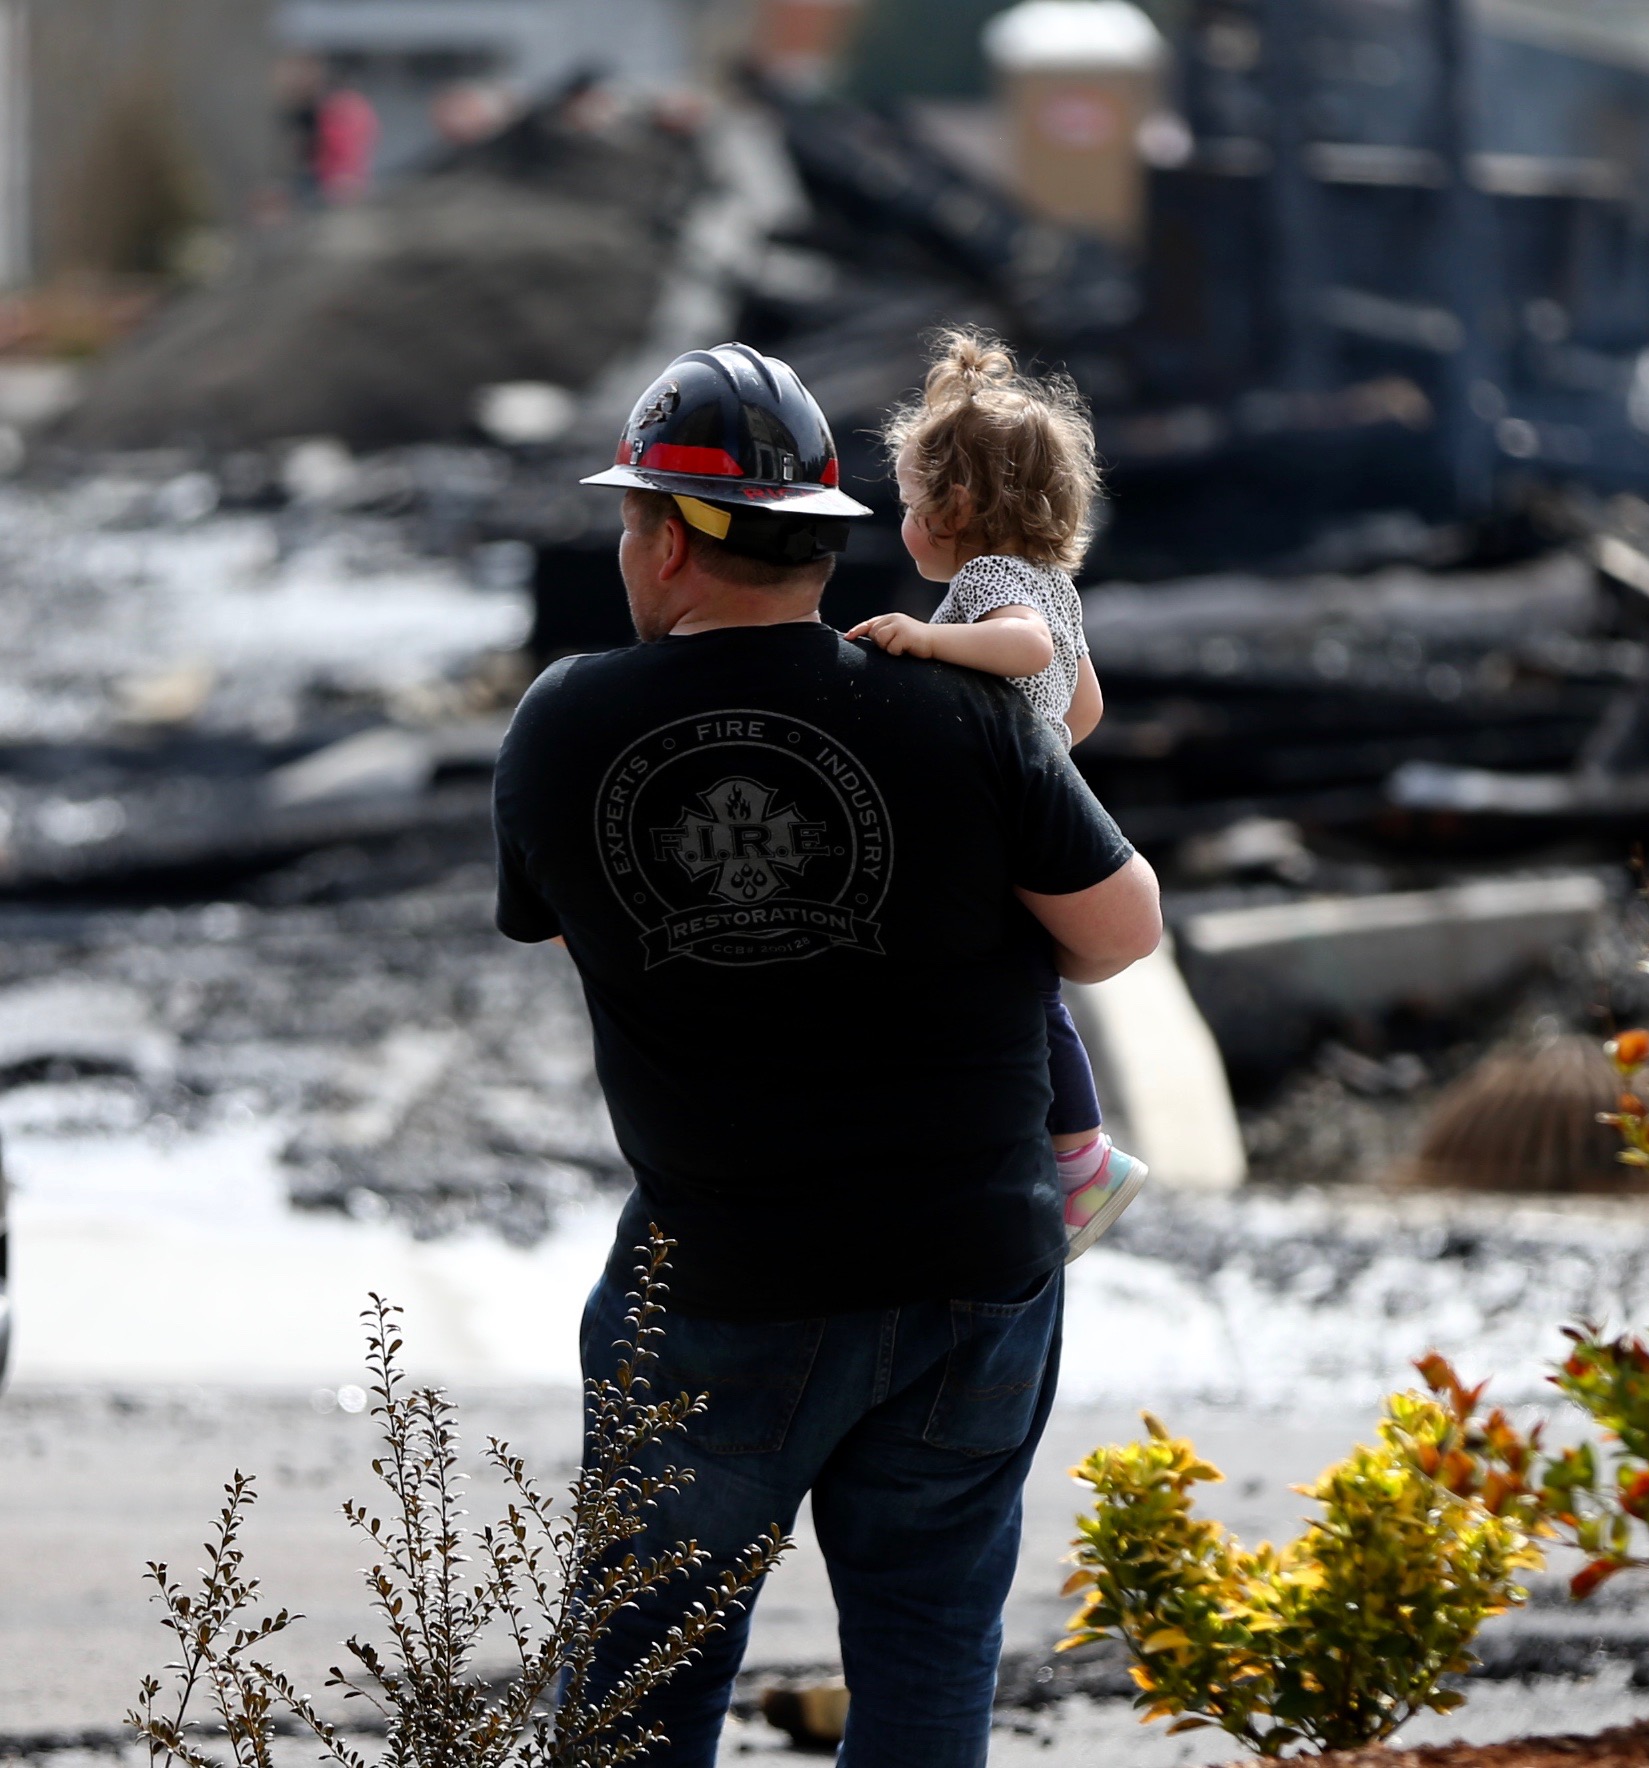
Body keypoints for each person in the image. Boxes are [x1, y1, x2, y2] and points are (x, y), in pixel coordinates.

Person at [492, 342, 1161, 1768]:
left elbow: (568, 937)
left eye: (629, 525)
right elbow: (1119, 935)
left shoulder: (564, 726)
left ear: (669, 541)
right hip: (969, 1274)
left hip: (721, 1282)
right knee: (925, 1674)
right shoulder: (963, 710)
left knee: (641, 1695)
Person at [843, 328, 1145, 1260]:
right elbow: (1083, 699)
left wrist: (929, 643)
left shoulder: (992, 584)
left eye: (905, 503)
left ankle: (1084, 1159)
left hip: (994, 826)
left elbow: (1029, 652)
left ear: (957, 503)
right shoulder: (1058, 583)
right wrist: (1044, 744)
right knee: (1030, 987)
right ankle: (1073, 1151)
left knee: (1022, 993)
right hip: (1031, 804)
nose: (900, 522)